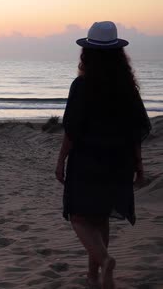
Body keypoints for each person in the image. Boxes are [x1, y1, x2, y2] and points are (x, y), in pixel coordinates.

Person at [55, 21, 151, 288]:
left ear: (87, 53)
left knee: (78, 216)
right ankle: (92, 275)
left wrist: (61, 160)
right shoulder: (127, 89)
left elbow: (72, 129)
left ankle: (105, 261)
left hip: (88, 159)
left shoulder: (82, 86)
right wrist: (139, 163)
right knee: (99, 217)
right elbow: (136, 129)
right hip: (119, 161)